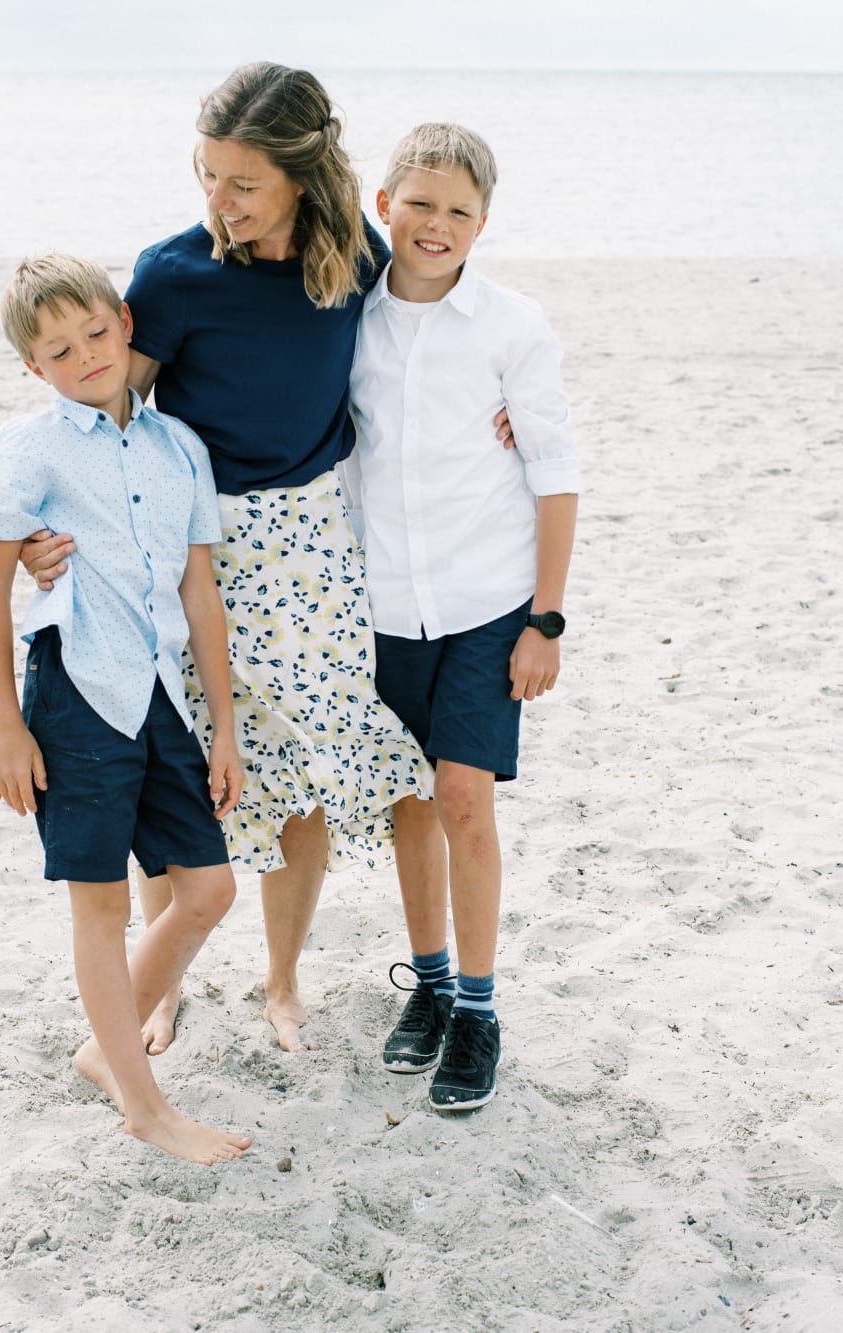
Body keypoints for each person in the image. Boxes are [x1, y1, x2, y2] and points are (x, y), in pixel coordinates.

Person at [23, 63, 448, 1054]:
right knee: (174, 765)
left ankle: (282, 980)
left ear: (302, 176)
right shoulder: (171, 274)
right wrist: (50, 520)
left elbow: (411, 361)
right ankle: (162, 984)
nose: (219, 202)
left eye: (242, 183)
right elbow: (102, 403)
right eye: (207, 175)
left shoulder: (353, 258)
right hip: (186, 542)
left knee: (296, 772)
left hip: (311, 545)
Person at [0, 254, 252, 1164]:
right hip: (76, 696)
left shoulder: (182, 449)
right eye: (59, 349)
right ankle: (144, 1103)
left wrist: (226, 723)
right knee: (98, 907)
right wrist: (7, 727)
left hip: (164, 694)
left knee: (209, 887)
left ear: (124, 323)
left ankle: (109, 1044)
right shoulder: (29, 447)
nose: (86, 355)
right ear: (35, 368)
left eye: (96, 332)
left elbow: (199, 591)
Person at [342, 124, 580, 1111]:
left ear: (483, 222)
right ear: (383, 205)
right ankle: (430, 984)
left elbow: (555, 475)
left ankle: (478, 1008)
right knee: (407, 800)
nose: (436, 225)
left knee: (463, 798)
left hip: (487, 603)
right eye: (420, 203)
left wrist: (546, 622)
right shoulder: (344, 317)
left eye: (459, 210)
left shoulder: (512, 325)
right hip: (382, 604)